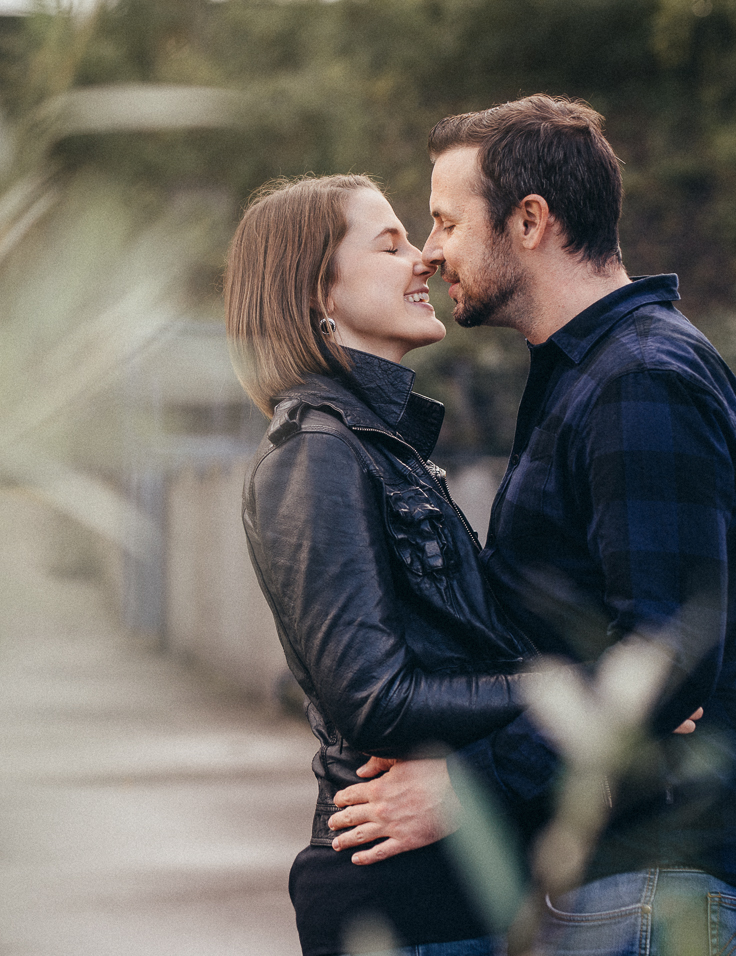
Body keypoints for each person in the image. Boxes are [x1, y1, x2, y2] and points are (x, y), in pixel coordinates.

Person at [324, 96, 736, 956]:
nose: (430, 250)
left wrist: (472, 786)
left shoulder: (639, 381)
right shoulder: (588, 375)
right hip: (617, 875)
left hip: (660, 876)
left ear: (529, 220)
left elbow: (667, 661)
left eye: (447, 221)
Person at [225, 174, 549, 956]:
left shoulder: (378, 448)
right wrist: (566, 694)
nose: (425, 260)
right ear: (318, 294)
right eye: (391, 243)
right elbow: (373, 699)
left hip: (446, 896)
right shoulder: (315, 454)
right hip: (397, 904)